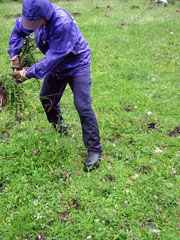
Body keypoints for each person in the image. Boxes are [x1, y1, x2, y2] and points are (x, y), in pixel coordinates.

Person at [8, 0, 102, 171]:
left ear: (46, 15)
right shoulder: (33, 17)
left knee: (82, 106)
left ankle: (94, 149)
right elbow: (18, 31)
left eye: (36, 23)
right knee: (46, 98)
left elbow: (53, 58)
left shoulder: (62, 23)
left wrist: (26, 73)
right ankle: (60, 129)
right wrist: (14, 54)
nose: (33, 27)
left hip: (76, 65)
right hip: (56, 65)